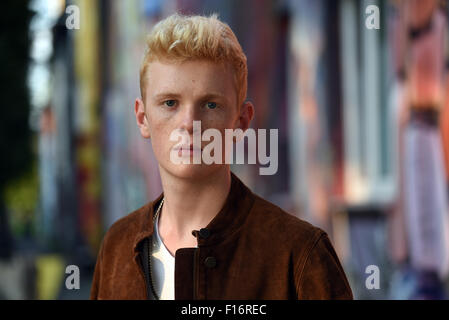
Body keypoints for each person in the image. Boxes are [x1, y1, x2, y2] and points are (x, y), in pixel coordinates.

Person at [90, 13, 353, 300]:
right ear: (143, 118)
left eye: (210, 104)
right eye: (170, 103)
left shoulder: (298, 254)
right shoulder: (117, 247)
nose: (189, 122)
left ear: (241, 121)